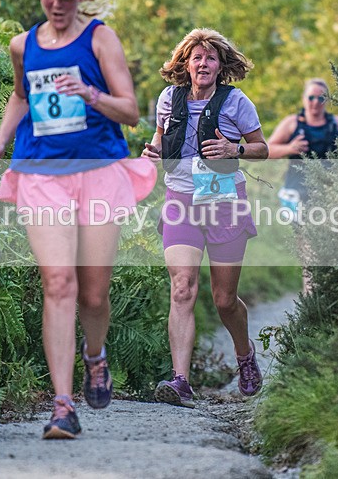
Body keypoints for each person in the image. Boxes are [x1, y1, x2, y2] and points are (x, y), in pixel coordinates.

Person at [0, 0, 155, 439]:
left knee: (94, 292)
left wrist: (90, 94)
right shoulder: (23, 45)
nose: (57, 4)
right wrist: (0, 141)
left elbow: (132, 112)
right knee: (59, 284)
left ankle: (95, 356)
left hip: (98, 170)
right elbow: (20, 96)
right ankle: (61, 406)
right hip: (41, 173)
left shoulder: (100, 38)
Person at [141, 28, 269, 407]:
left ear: (220, 65)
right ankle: (180, 380)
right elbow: (161, 141)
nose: (203, 63)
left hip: (224, 199)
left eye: (210, 57)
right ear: (185, 63)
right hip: (181, 198)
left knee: (225, 299)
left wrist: (236, 148)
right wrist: (152, 154)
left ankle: (245, 357)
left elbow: (262, 148)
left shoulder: (236, 102)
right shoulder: (169, 98)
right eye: (196, 57)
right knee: (182, 287)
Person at [267, 78, 338, 292]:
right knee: (309, 250)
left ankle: (330, 298)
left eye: (321, 98)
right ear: (304, 99)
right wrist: (290, 148)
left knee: (332, 248)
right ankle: (310, 301)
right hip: (297, 194)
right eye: (311, 97)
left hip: (331, 194)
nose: (315, 102)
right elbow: (265, 150)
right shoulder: (292, 124)